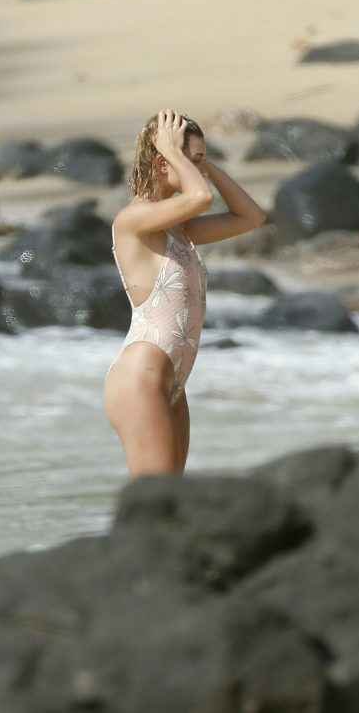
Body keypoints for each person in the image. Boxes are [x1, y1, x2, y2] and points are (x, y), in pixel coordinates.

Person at [105, 109, 267, 476]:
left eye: (201, 159)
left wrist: (203, 164)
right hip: (141, 377)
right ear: (163, 162)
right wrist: (176, 153)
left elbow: (251, 218)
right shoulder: (133, 220)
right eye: (190, 159)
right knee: (154, 506)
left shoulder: (180, 230)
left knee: (171, 504)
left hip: (173, 381)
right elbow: (200, 198)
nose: (199, 168)